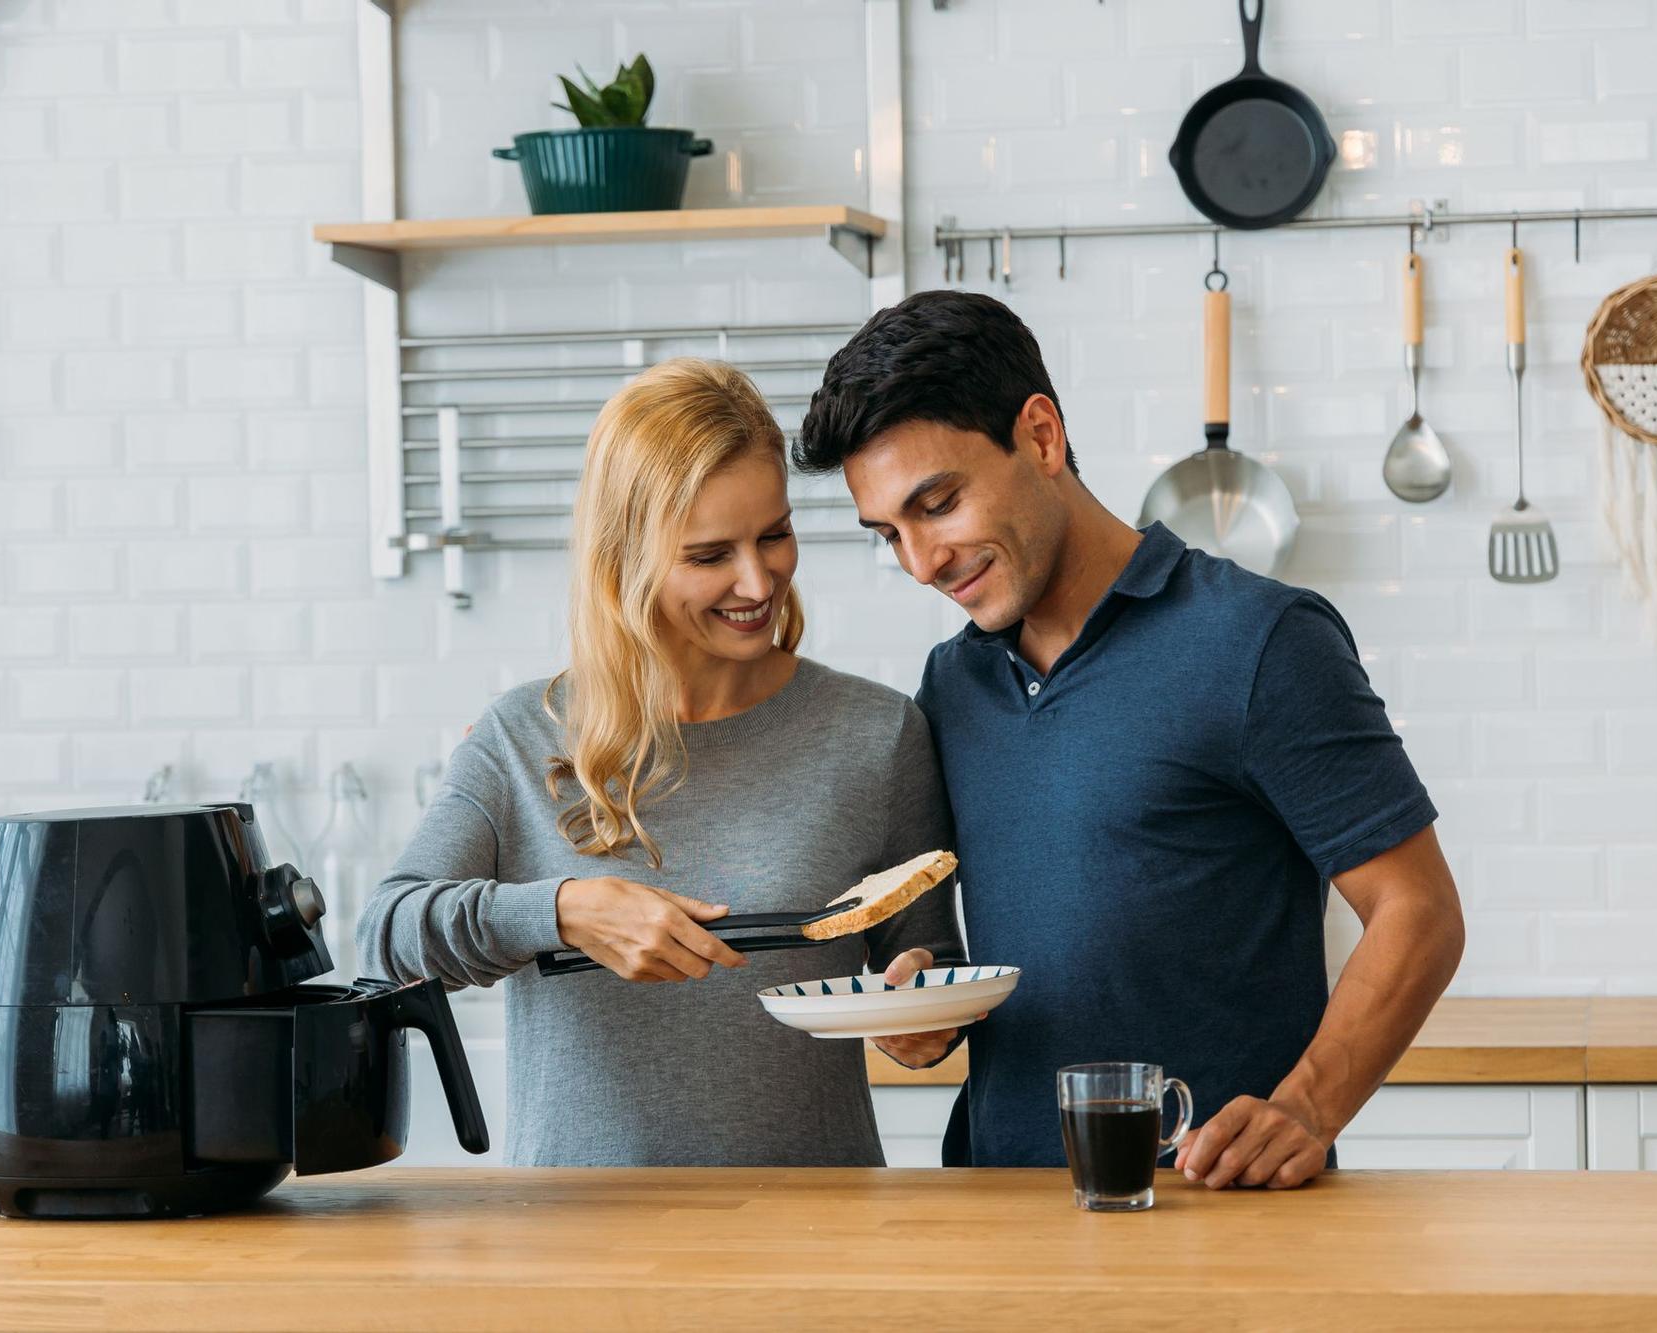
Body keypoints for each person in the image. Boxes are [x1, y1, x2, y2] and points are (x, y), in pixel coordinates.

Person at [794, 290, 1465, 1188]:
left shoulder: (1260, 641)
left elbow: (1417, 911)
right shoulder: (953, 684)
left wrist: (1307, 1106)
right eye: (890, 534)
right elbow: (977, 949)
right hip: (999, 1207)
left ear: (1040, 436)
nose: (922, 562)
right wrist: (926, 1000)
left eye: (940, 504)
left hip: (1216, 1208)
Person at [359, 357, 966, 1167]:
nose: (759, 580)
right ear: (626, 560)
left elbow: (932, 967)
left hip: (818, 1245)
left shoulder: (876, 733)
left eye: (775, 535)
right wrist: (564, 910)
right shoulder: (520, 737)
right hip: (580, 1252)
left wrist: (925, 1014)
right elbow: (386, 934)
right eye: (711, 554)